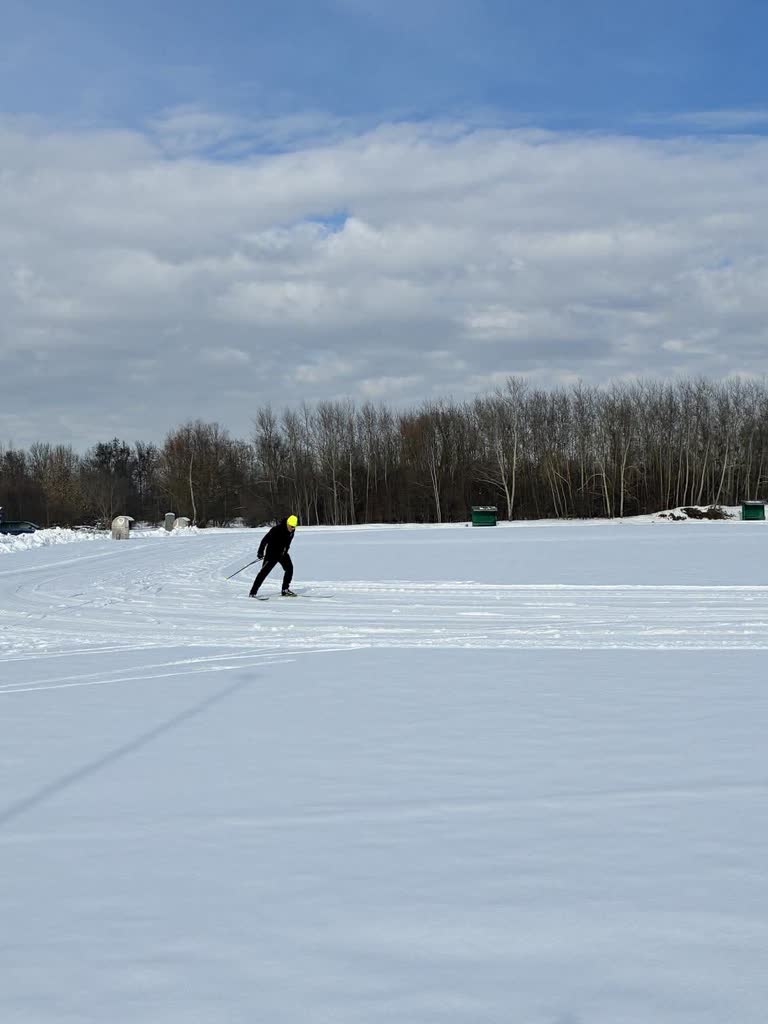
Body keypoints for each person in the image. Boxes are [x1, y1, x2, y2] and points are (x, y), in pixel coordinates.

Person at [249, 514, 298, 597]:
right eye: (291, 526)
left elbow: (287, 543)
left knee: (289, 569)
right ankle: (253, 592)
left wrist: (285, 551)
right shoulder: (276, 530)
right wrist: (260, 552)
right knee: (263, 573)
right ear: (287, 523)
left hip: (282, 554)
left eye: (294, 527)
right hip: (271, 554)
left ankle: (285, 589)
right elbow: (264, 540)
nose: (293, 528)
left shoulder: (292, 532)